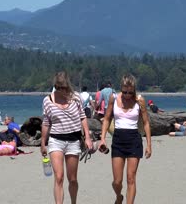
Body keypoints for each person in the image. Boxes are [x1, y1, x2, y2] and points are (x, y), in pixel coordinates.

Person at [40, 71, 93, 204]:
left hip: (73, 141)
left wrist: (87, 137)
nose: (60, 90)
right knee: (59, 177)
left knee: (72, 178)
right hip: (55, 140)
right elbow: (46, 123)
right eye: (57, 87)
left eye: (63, 88)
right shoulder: (48, 100)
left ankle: (73, 201)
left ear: (67, 86)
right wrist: (42, 142)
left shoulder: (76, 97)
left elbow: (83, 117)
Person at [99, 74, 152, 204]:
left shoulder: (140, 100)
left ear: (134, 89)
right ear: (121, 89)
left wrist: (149, 145)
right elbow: (106, 119)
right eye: (124, 91)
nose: (127, 95)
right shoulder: (114, 98)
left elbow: (146, 123)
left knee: (131, 179)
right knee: (117, 181)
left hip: (134, 140)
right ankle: (119, 196)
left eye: (130, 92)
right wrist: (103, 139)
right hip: (118, 140)